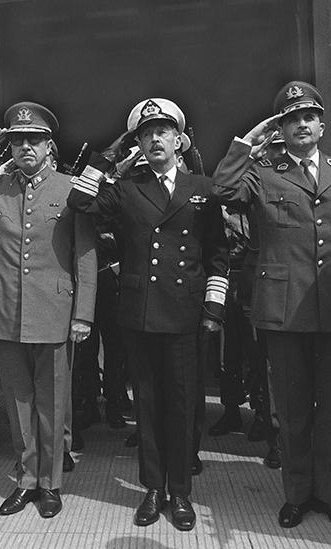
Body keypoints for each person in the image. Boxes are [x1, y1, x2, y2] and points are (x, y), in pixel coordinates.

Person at [213, 81, 331, 531]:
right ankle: (297, 495)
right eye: (291, 119)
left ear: (322, 123)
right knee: (293, 408)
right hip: (284, 309)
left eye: (308, 116)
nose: (301, 124)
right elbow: (223, 191)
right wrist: (249, 142)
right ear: (280, 128)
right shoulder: (264, 171)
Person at [68, 98, 229, 531]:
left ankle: (180, 493)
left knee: (181, 404)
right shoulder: (126, 188)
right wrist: (108, 156)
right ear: (135, 142)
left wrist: (213, 306)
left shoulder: (204, 186)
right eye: (145, 133)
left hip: (184, 312)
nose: (154, 138)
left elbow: (218, 252)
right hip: (139, 312)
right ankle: (153, 488)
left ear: (180, 138)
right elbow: (79, 201)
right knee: (149, 403)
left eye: (162, 131)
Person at [0, 101, 97, 519]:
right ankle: (26, 480)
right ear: (7, 147)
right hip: (4, 310)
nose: (25, 146)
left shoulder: (71, 188)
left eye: (34, 140)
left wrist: (83, 314)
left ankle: (51, 484)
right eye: (17, 140)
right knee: (18, 402)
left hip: (54, 310)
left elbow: (85, 254)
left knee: (52, 403)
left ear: (49, 146)